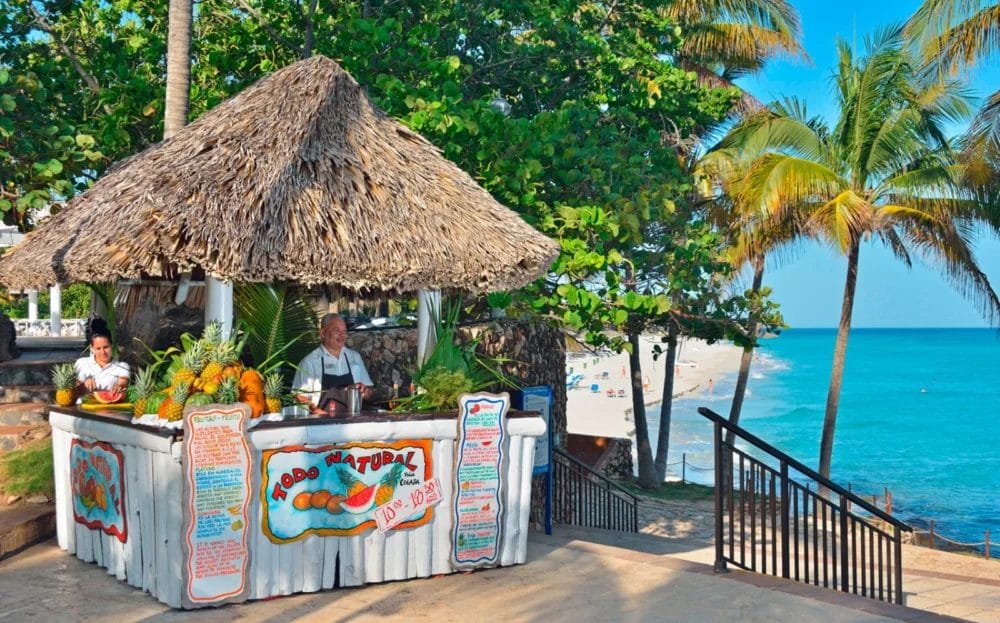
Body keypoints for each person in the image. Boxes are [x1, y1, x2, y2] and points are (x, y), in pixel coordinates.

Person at [293, 314, 374, 415]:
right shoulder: (310, 362)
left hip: (353, 423)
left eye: (344, 331)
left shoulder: (354, 357)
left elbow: (370, 393)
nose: (342, 335)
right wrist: (320, 414)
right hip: (321, 424)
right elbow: (299, 397)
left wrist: (365, 391)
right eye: (337, 331)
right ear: (323, 333)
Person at [74, 318, 129, 394]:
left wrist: (119, 387)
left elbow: (123, 383)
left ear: (111, 345)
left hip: (111, 406)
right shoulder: (81, 363)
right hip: (82, 405)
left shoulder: (122, 366)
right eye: (98, 348)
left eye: (106, 347)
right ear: (92, 348)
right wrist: (84, 385)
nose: (103, 352)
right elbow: (73, 390)